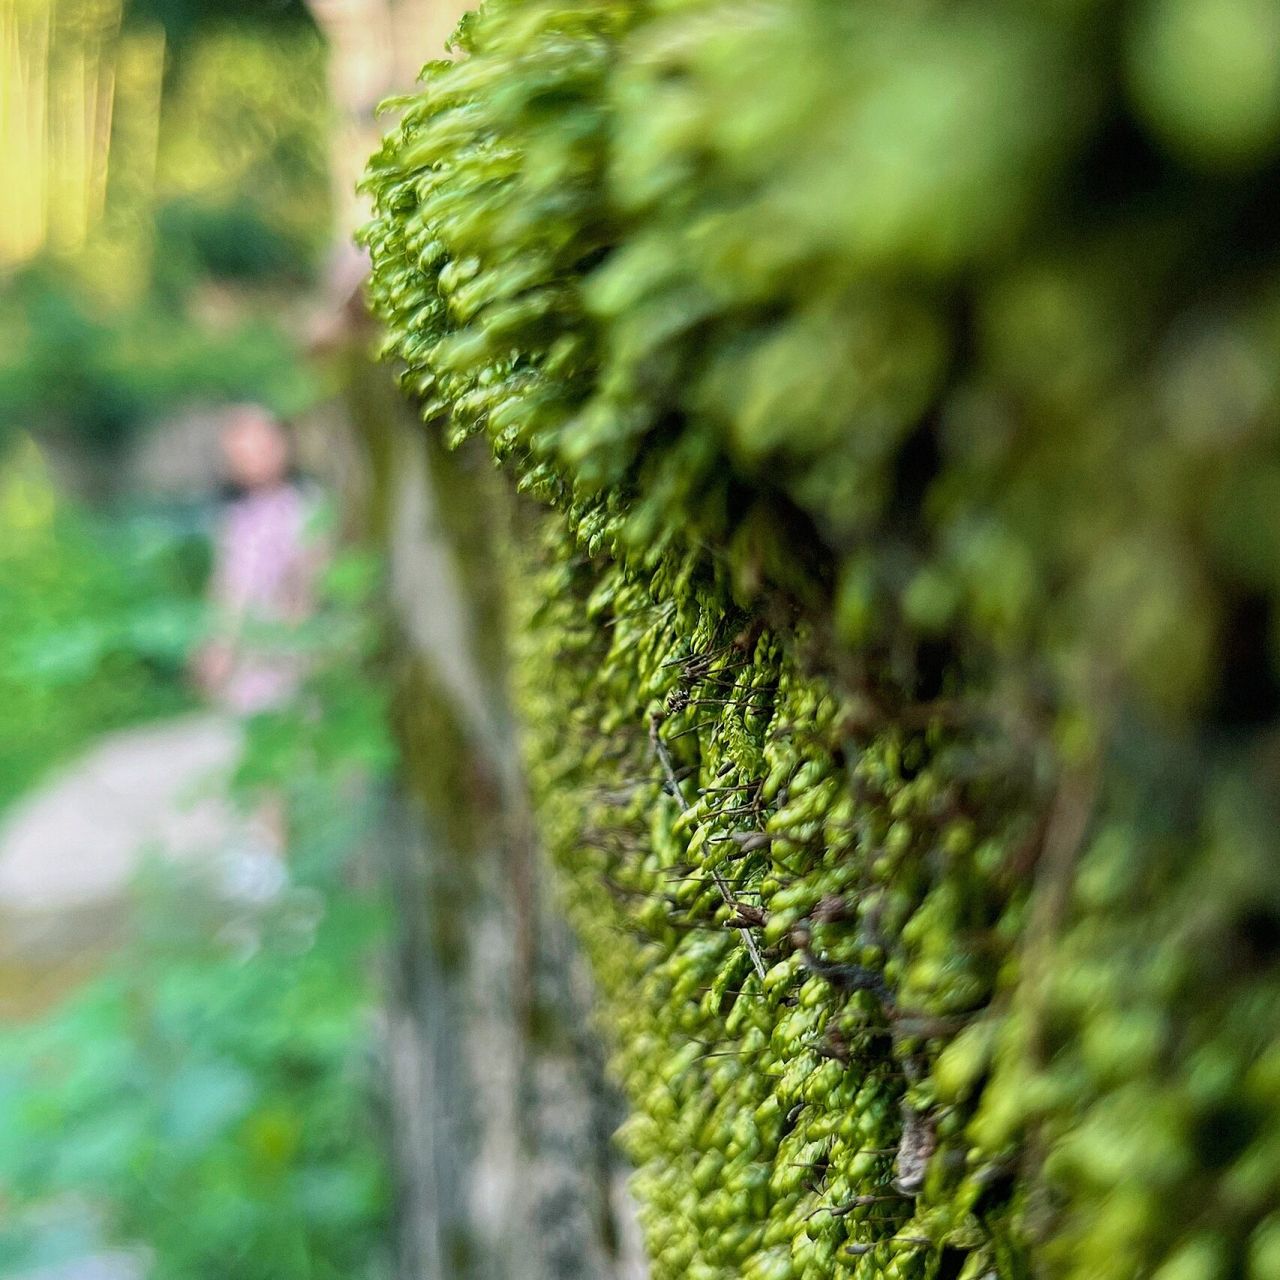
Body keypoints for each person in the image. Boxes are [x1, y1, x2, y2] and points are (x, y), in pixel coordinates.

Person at [194, 405, 325, 880]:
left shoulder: (304, 506)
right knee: (256, 752)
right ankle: (269, 854)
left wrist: (298, 644)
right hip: (247, 654)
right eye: (241, 452)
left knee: (286, 755)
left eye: (261, 444)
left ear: (284, 445)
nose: (253, 458)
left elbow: (308, 584)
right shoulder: (238, 515)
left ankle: (290, 863)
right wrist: (215, 645)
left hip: (284, 651)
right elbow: (227, 586)